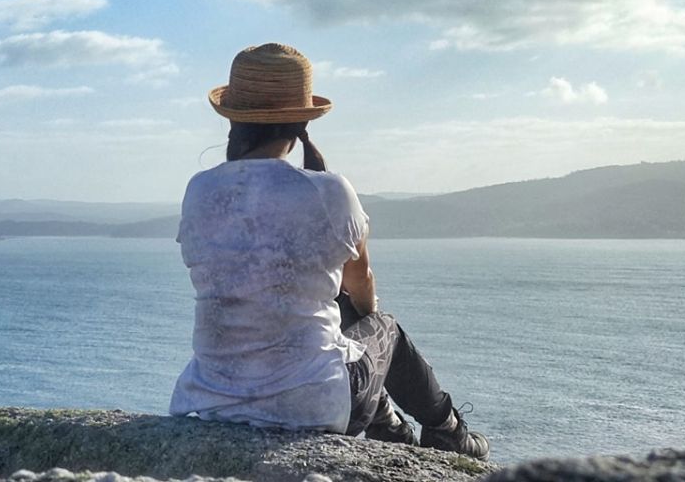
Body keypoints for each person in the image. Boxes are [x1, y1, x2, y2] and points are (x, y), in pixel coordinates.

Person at [168, 42, 489, 458]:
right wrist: (359, 310)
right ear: (302, 122)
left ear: (233, 118)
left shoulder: (200, 190)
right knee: (381, 328)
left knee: (339, 321)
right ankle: (449, 431)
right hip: (312, 405)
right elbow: (363, 286)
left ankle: (392, 430)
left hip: (214, 401)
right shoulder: (329, 190)